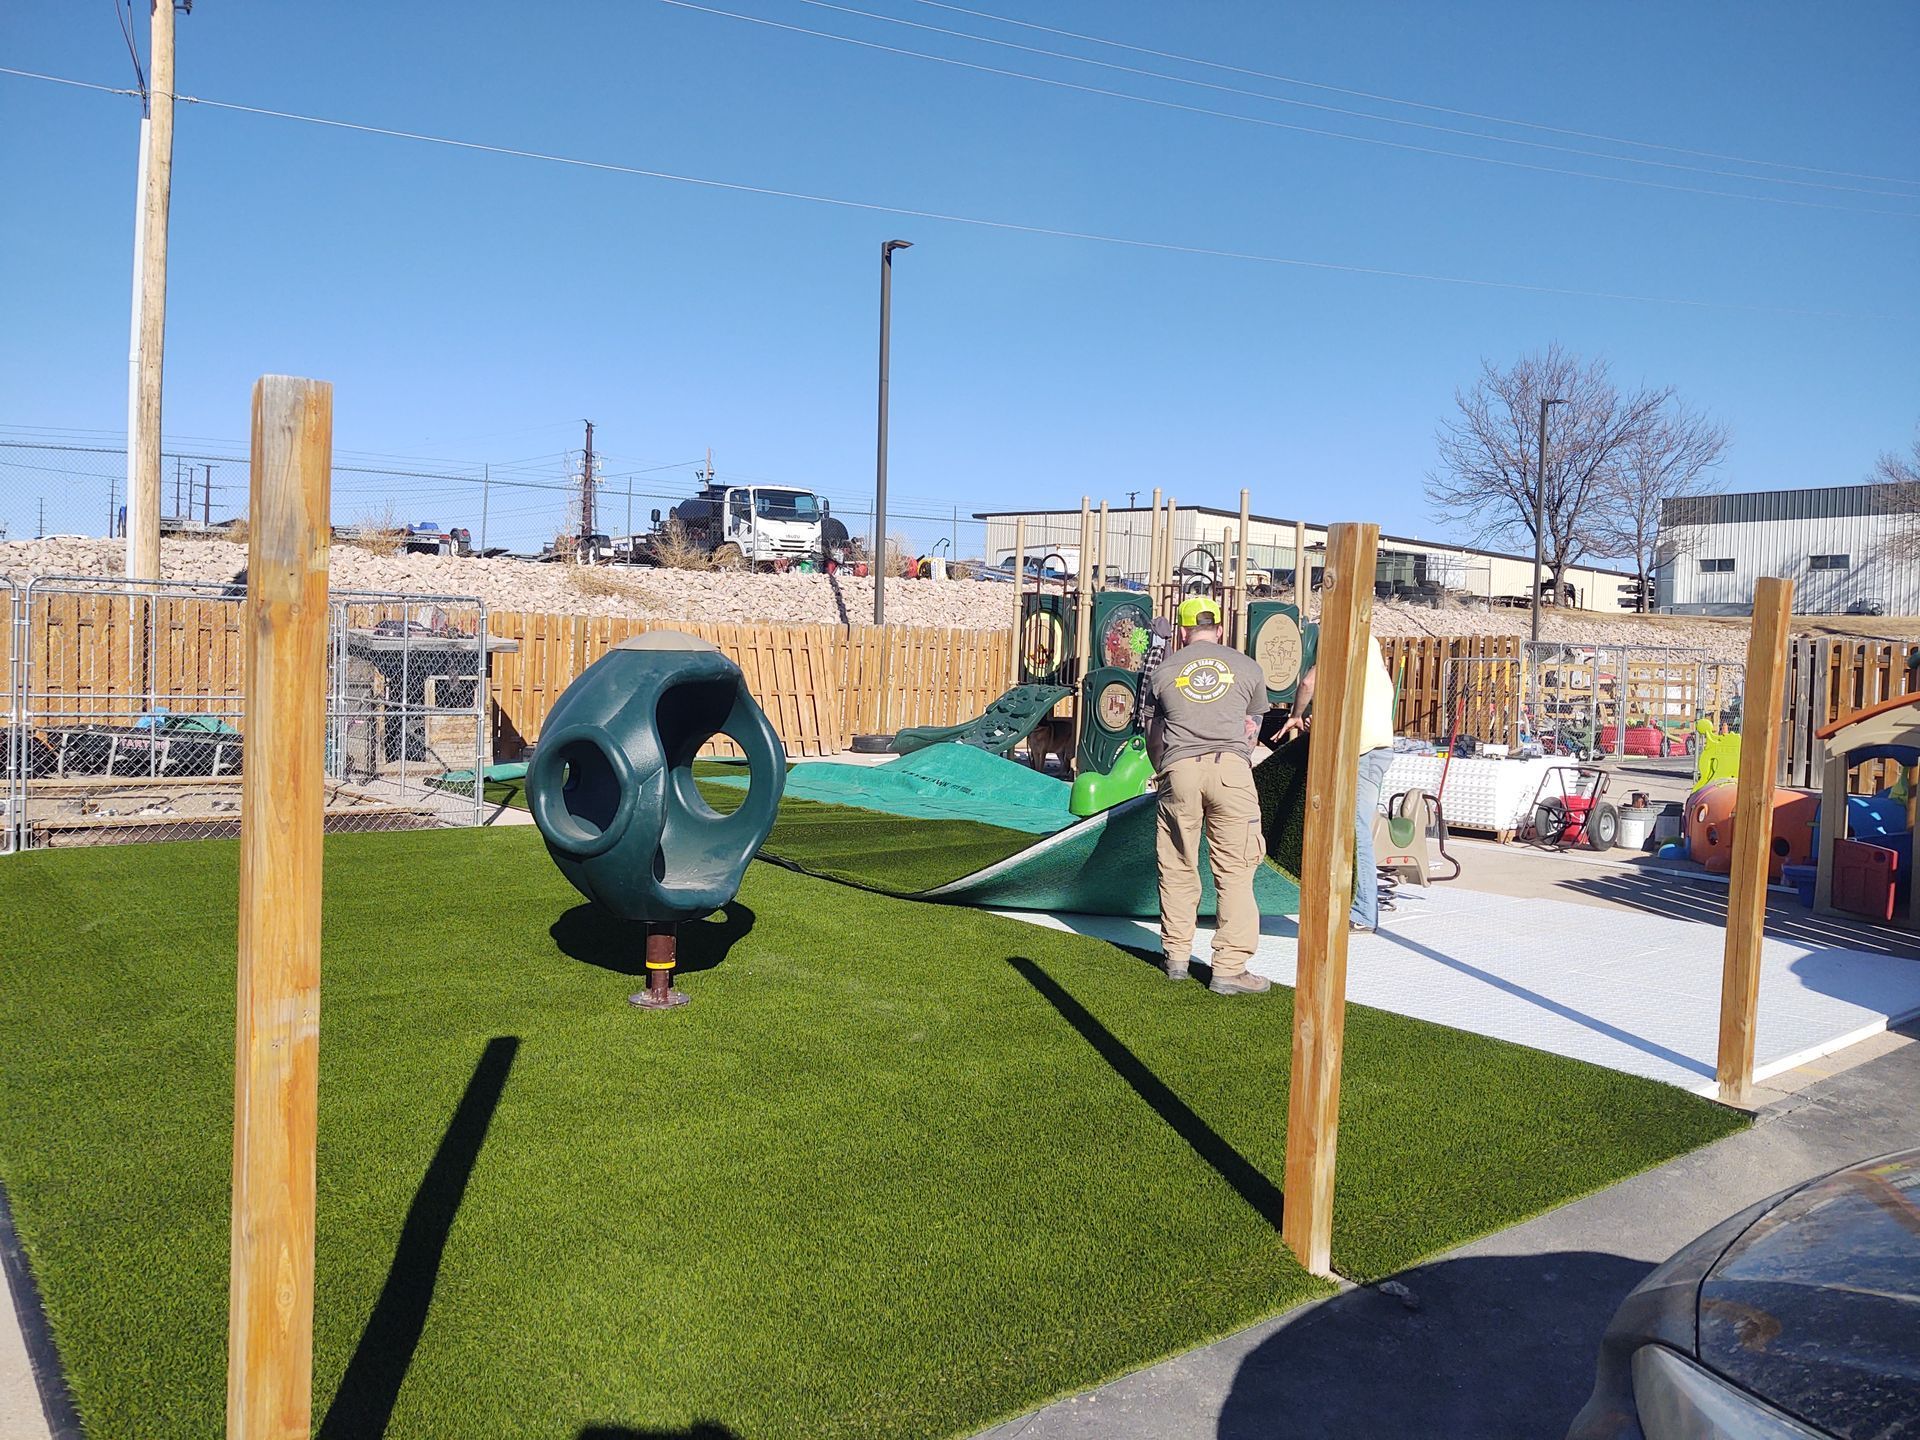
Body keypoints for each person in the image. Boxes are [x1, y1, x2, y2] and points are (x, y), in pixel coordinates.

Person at [1144, 597, 1270, 995]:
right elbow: (1253, 726)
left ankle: (1177, 957)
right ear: (1219, 629)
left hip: (1179, 769)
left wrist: (1162, 768)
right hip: (1230, 768)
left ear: (1182, 632)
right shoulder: (1247, 668)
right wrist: (1238, 758)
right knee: (1235, 869)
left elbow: (1154, 735)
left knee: (1179, 864)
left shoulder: (1163, 672)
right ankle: (1228, 969)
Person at [1278, 638, 1398, 932]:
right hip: (1379, 748)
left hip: (1363, 752)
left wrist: (1296, 715)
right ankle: (1354, 904)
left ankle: (1363, 913)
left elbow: (1308, 683)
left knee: (1356, 830)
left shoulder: (1340, 639)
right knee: (1352, 828)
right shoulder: (1373, 661)